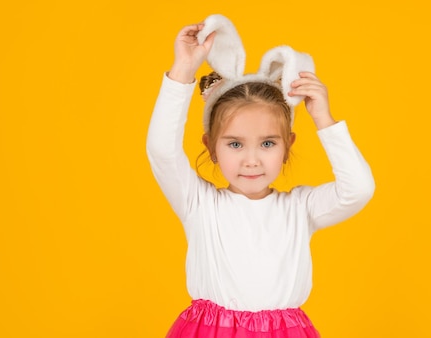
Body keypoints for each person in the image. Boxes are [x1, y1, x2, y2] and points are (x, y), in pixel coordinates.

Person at [147, 14, 375, 338]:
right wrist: (182, 70)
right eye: (235, 144)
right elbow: (162, 151)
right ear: (211, 147)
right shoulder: (199, 202)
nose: (251, 160)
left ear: (287, 147)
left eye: (267, 143)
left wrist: (323, 118)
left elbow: (358, 189)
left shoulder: (300, 208)